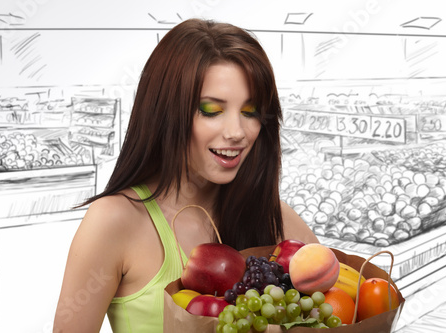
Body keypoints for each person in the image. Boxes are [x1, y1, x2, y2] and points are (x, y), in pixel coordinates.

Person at [53, 18, 319, 332]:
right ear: (166, 112)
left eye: (250, 111)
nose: (237, 133)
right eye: (210, 110)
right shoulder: (114, 221)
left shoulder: (277, 217)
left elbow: (341, 309)